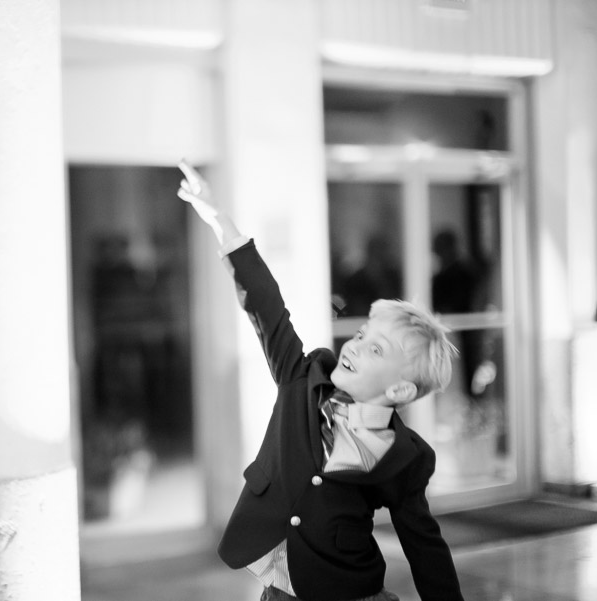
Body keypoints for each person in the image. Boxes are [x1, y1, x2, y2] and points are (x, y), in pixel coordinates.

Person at [177, 161, 464, 601]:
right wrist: (221, 221)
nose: (355, 345)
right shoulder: (301, 378)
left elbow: (423, 543)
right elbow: (267, 308)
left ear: (400, 391)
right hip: (281, 592)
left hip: (348, 590)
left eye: (376, 350)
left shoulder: (404, 458)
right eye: (363, 335)